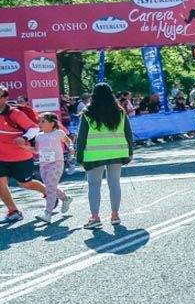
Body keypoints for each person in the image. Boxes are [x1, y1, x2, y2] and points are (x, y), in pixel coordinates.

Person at [75, 82, 134, 228]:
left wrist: (79, 156)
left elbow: (82, 137)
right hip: (117, 153)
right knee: (114, 184)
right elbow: (128, 133)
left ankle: (95, 217)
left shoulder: (87, 113)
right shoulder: (120, 112)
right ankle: (115, 215)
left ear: (93, 95)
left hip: (94, 155)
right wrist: (130, 152)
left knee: (94, 185)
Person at [0, 87, 48, 224]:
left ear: (5, 98)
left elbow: (34, 128)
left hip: (20, 156)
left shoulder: (14, 113)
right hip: (1, 156)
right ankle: (13, 211)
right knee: (0, 183)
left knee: (26, 184)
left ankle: (50, 194)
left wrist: (24, 138)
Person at [33, 113, 73, 222]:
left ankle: (47, 213)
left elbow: (68, 141)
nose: (40, 123)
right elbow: (36, 150)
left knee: (50, 188)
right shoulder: (38, 136)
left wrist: (71, 148)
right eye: (39, 121)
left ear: (52, 123)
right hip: (43, 164)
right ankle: (66, 199)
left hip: (56, 163)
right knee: (50, 187)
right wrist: (23, 146)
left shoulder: (58, 133)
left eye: (43, 121)